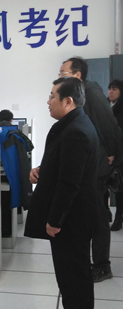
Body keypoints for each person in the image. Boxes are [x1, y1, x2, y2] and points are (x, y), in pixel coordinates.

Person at [25, 77, 99, 309]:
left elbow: (70, 184)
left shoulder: (75, 131)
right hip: (76, 216)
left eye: (52, 96)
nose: (48, 101)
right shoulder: (74, 124)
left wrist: (55, 221)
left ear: (68, 101)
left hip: (71, 219)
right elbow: (65, 167)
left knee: (72, 278)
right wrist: (41, 171)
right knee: (76, 276)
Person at [59, 56, 123, 282]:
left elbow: (110, 125)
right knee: (89, 214)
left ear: (77, 75)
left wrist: (112, 154)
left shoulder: (92, 93)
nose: (60, 77)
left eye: (63, 73)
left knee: (98, 216)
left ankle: (102, 265)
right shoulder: (81, 94)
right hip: (90, 164)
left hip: (97, 165)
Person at [108, 79, 123, 231]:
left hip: (120, 155)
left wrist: (116, 155)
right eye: (110, 89)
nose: (110, 92)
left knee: (120, 188)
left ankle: (119, 217)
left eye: (114, 89)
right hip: (110, 154)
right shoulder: (107, 106)